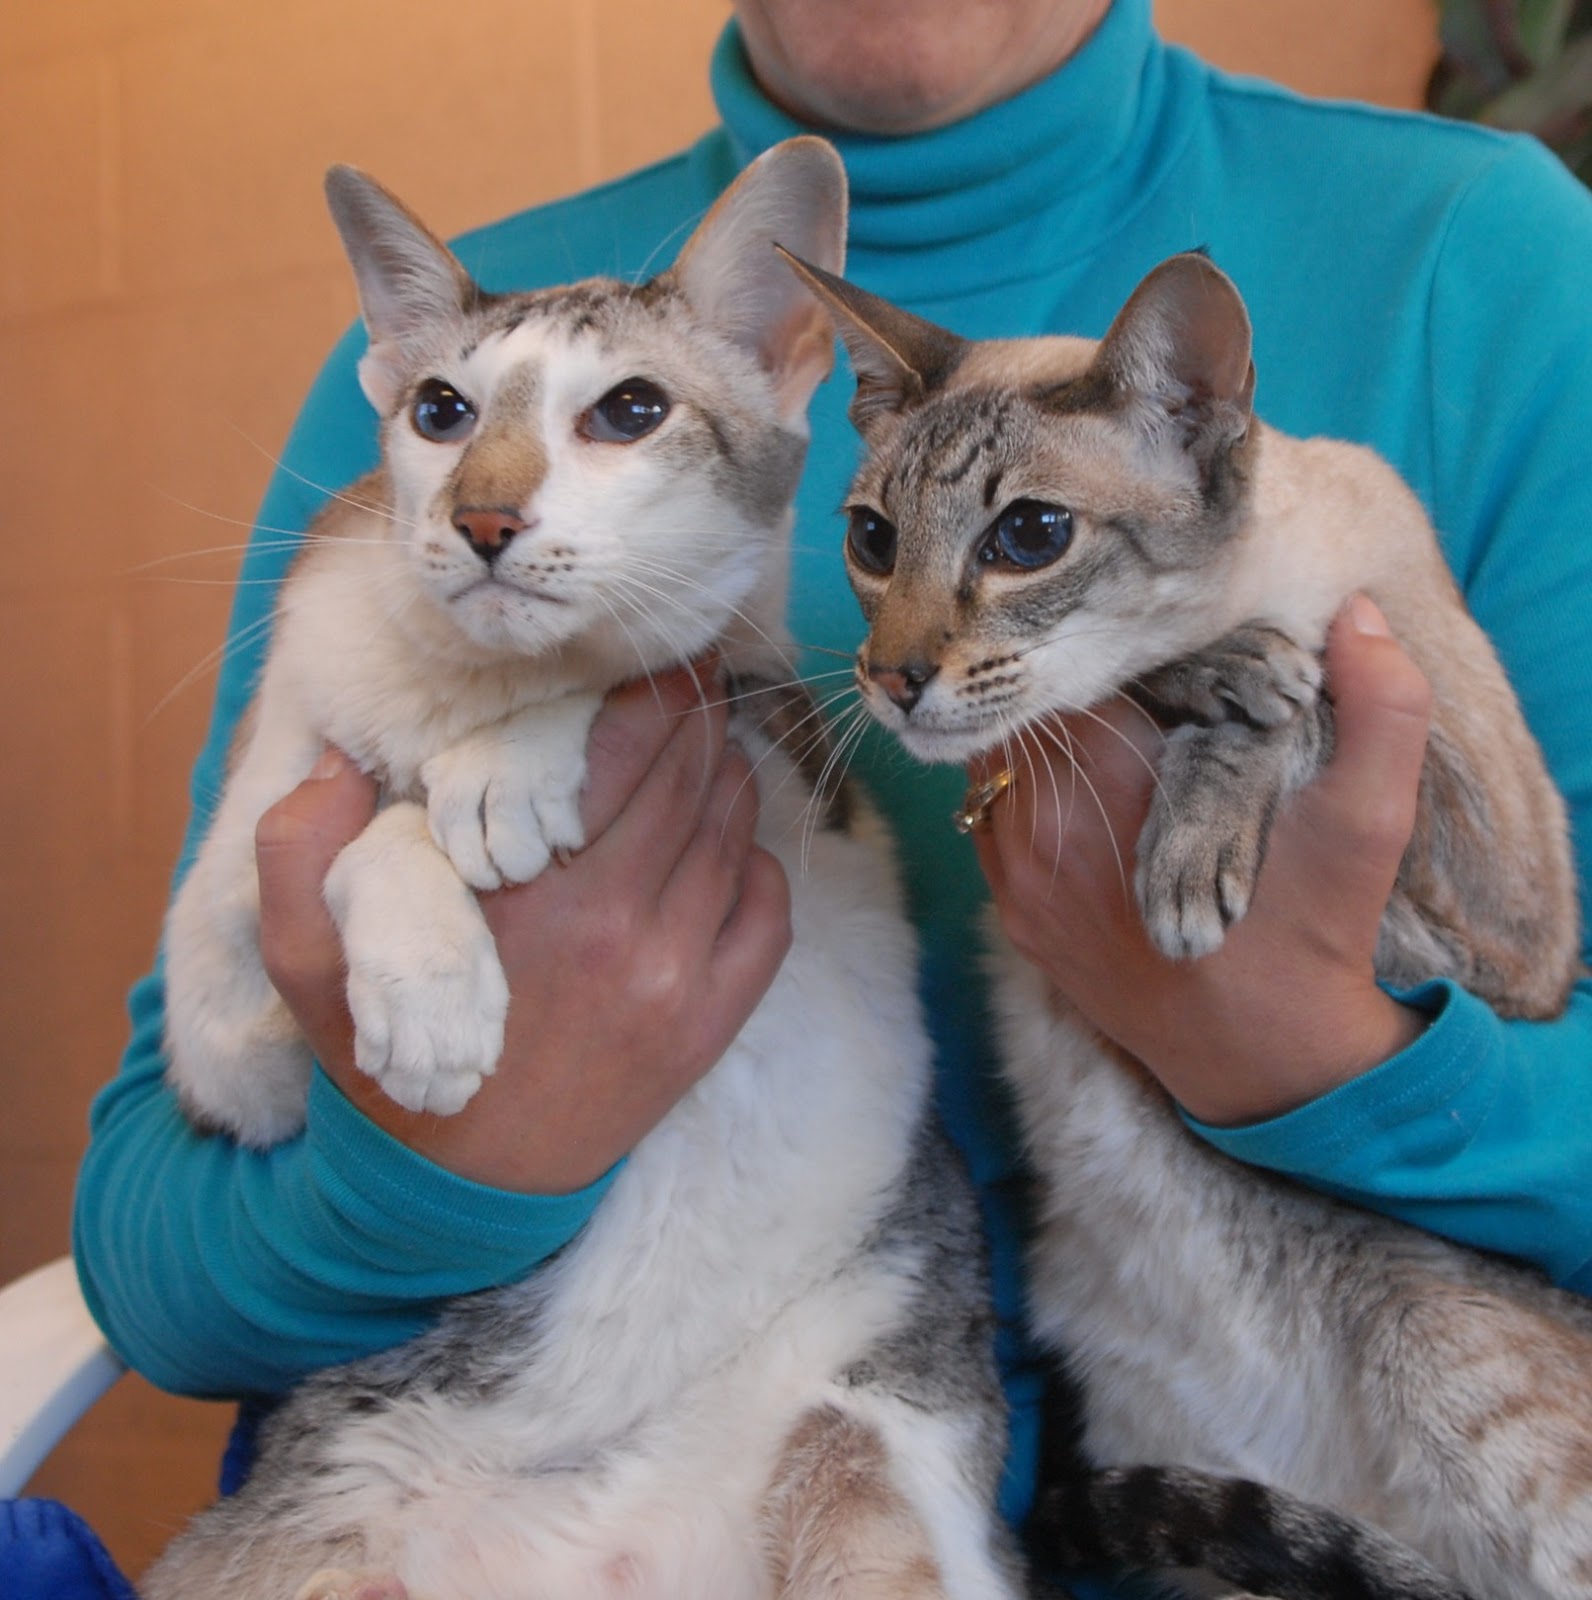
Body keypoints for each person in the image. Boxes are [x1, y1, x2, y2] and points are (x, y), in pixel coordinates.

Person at [73, 0, 1592, 1590]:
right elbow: (149, 1258)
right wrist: (456, 1160)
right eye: (866, 549)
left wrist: (1311, 1061)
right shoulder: (435, 390)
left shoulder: (1476, 260)